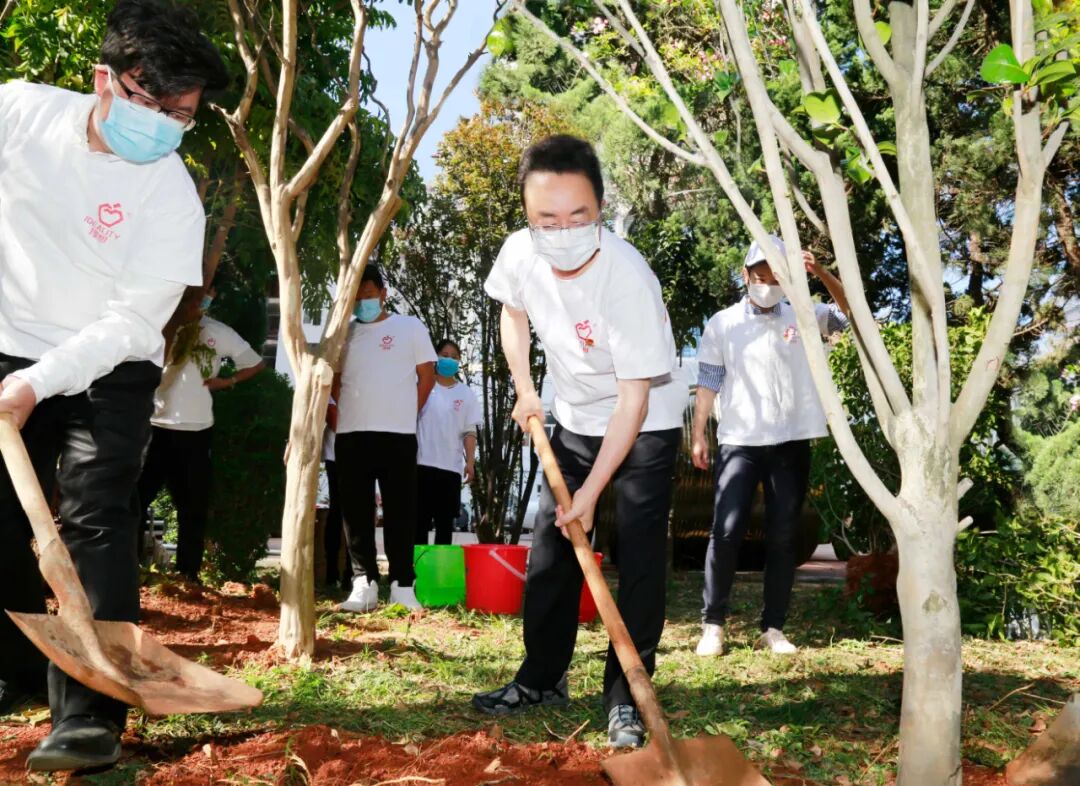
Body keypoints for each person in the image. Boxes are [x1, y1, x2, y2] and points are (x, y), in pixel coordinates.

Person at [0, 0, 227, 771]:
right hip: (5, 342)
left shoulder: (172, 197)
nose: (163, 124)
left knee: (96, 513)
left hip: (107, 363)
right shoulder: (18, 113)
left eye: (182, 114)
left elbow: (136, 325)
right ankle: (21, 670)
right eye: (149, 103)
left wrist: (39, 382)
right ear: (103, 80)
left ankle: (89, 715)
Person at [471, 135, 687, 750]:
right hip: (569, 415)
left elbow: (634, 399)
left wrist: (591, 494)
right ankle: (542, 678)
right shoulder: (520, 254)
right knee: (550, 549)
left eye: (578, 216)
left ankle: (624, 698)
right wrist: (524, 388)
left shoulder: (627, 279)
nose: (563, 231)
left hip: (643, 422)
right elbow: (511, 313)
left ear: (600, 208)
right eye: (547, 219)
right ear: (528, 216)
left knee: (641, 553)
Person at [690, 235, 849, 657]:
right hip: (740, 439)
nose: (768, 284)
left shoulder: (803, 314)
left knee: (782, 535)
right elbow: (708, 381)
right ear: (745, 276)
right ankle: (713, 625)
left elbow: (849, 314)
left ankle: (773, 627)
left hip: (791, 439)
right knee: (725, 531)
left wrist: (819, 274)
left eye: (777, 276)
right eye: (761, 276)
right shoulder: (722, 323)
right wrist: (698, 432)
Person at [137, 287, 265, 582]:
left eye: (208, 295)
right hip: (155, 426)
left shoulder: (218, 332)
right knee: (136, 500)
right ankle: (132, 569)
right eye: (196, 295)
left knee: (192, 506)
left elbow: (255, 363)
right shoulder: (161, 326)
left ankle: (188, 574)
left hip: (196, 430)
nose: (202, 302)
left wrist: (227, 381)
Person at [334, 265, 437, 612]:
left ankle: (402, 585)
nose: (363, 303)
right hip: (351, 434)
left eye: (368, 295)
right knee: (355, 512)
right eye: (356, 298)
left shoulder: (409, 328)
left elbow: (427, 376)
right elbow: (333, 381)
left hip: (398, 435)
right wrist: (340, 417)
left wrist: (409, 412)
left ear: (383, 293)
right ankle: (363, 583)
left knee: (401, 511)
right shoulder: (343, 334)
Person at [415, 339, 481, 545]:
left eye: (454, 357)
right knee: (419, 523)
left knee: (445, 525)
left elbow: (470, 432)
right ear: (435, 357)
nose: (449, 360)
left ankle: (439, 572)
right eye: (444, 355)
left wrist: (470, 462)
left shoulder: (466, 394)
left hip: (450, 468)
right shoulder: (423, 387)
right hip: (421, 465)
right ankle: (416, 572)